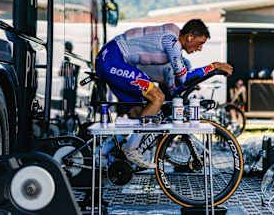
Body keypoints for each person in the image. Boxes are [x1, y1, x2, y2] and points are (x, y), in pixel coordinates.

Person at [95, 19, 233, 168]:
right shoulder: (172, 41)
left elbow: (174, 85)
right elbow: (185, 77)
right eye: (200, 43)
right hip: (112, 58)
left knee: (139, 114)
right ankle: (131, 150)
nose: (199, 48)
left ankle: (101, 151)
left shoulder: (172, 41)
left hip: (115, 59)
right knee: (157, 98)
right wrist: (213, 67)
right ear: (190, 36)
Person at [59, 41, 80, 118]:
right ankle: (67, 118)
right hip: (67, 88)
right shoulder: (65, 60)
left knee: (70, 107)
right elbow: (61, 73)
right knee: (66, 107)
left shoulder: (72, 59)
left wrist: (67, 70)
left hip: (72, 88)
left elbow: (74, 71)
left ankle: (69, 119)